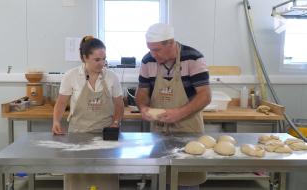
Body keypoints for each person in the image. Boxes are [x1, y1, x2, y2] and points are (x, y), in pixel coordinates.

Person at [136, 23, 211, 189]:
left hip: (188, 131)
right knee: (160, 180)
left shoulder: (193, 58)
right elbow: (142, 92)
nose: (153, 54)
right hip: (159, 133)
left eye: (157, 50)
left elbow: (205, 96)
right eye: (150, 49)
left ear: (170, 43)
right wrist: (143, 107)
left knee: (186, 182)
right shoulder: (148, 61)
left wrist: (180, 113)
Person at [52, 35, 124, 190]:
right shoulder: (71, 76)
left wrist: (116, 122)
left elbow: (119, 104)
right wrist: (56, 121)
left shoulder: (111, 77)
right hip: (78, 134)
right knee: (78, 178)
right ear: (85, 58)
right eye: (97, 60)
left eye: (104, 59)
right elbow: (61, 102)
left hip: (105, 135)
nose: (102, 63)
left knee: (105, 179)